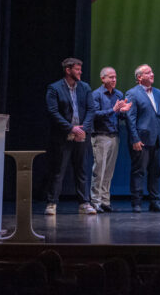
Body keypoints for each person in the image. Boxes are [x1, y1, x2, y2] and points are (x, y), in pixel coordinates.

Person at [45, 57, 96, 215]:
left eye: (80, 69)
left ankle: (84, 203)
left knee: (81, 169)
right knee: (58, 170)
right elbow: (53, 112)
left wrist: (83, 130)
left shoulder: (85, 87)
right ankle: (52, 203)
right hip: (63, 135)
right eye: (77, 69)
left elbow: (91, 110)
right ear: (68, 70)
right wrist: (71, 128)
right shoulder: (54, 88)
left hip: (81, 135)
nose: (80, 72)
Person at [125, 64, 160, 213]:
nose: (152, 74)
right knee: (139, 172)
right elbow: (130, 119)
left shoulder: (159, 93)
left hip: (157, 139)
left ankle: (155, 202)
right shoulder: (132, 93)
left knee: (156, 172)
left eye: (152, 71)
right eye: (148, 72)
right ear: (139, 77)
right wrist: (135, 139)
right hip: (142, 140)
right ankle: (137, 203)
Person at [90, 67, 131, 213]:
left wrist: (123, 112)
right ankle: (95, 202)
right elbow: (94, 114)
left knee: (109, 171)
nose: (114, 80)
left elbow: (118, 116)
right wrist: (113, 110)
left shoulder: (118, 94)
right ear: (103, 79)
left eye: (115, 77)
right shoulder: (96, 94)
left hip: (114, 136)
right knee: (99, 171)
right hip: (100, 136)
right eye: (111, 77)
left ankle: (105, 200)